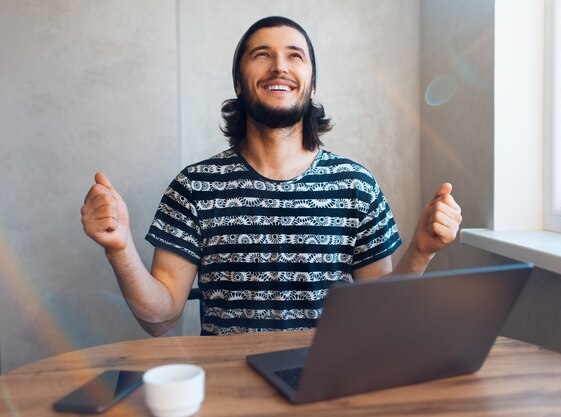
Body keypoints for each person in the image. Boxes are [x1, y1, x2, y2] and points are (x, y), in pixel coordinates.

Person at [81, 16, 462, 337]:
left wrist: (421, 251)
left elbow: (383, 312)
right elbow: (161, 318)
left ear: (312, 85)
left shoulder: (356, 186)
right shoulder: (194, 188)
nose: (279, 66)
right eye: (261, 55)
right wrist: (120, 249)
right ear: (237, 82)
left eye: (295, 56)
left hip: (326, 383)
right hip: (230, 392)